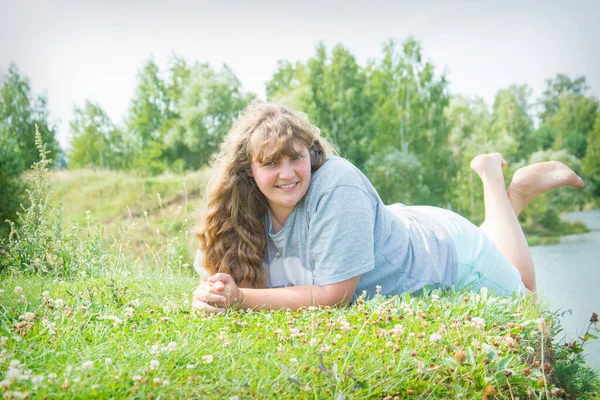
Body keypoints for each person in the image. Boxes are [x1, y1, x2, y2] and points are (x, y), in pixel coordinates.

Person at [191, 103, 584, 313]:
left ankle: (499, 184)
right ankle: (504, 193)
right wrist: (211, 294)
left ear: (310, 154)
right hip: (403, 227)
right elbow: (215, 278)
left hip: (450, 256)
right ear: (249, 172)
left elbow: (334, 296)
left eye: (295, 158)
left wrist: (242, 299)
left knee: (528, 298)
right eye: (271, 163)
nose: (288, 174)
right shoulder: (243, 210)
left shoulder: (336, 185)